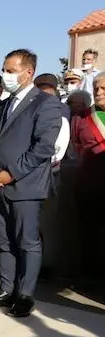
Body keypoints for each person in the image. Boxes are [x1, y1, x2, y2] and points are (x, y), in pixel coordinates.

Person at [0, 49, 61, 318]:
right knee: (3, 241)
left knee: (27, 242)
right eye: (4, 69)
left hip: (24, 186)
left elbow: (43, 147)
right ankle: (6, 289)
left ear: (28, 73)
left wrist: (10, 174)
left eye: (11, 70)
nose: (5, 75)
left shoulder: (45, 104)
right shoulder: (0, 108)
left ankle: (24, 295)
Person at [71, 74, 105, 279]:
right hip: (89, 186)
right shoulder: (81, 118)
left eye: (103, 88)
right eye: (96, 88)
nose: (99, 92)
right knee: (89, 234)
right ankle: (90, 278)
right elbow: (73, 148)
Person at [33, 73, 71, 189]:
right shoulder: (32, 106)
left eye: (47, 90)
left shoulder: (61, 109)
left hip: (49, 168)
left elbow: (58, 145)